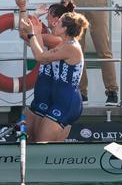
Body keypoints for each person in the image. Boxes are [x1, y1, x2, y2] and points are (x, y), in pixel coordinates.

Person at [25, 10, 87, 142]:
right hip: (58, 100)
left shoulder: (70, 48)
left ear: (65, 28)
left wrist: (32, 35)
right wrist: (36, 31)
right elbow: (42, 53)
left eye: (58, 22)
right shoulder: (64, 44)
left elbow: (40, 57)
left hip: (67, 102)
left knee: (43, 147)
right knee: (34, 142)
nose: (54, 23)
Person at [16, 0, 71, 140]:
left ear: (56, 20)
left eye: (48, 16)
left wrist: (30, 13)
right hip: (44, 95)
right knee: (28, 139)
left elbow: (32, 40)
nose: (46, 19)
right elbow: (25, 34)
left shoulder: (58, 40)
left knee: (43, 142)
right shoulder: (48, 36)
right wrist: (25, 10)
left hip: (58, 98)